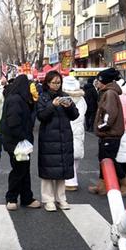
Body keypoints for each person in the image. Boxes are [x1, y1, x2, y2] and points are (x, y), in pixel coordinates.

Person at [36, 70, 79, 212]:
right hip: (48, 137)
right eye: (54, 82)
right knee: (48, 170)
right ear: (47, 83)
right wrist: (52, 105)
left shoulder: (65, 96)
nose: (56, 85)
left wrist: (70, 107)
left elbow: (75, 116)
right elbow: (41, 116)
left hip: (64, 136)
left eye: (58, 82)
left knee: (62, 170)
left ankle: (61, 198)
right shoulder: (43, 97)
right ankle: (48, 200)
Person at [0, 75, 40, 210]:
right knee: (19, 170)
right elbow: (14, 122)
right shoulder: (17, 100)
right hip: (17, 143)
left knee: (23, 170)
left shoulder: (15, 98)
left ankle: (26, 197)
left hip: (16, 142)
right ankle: (12, 198)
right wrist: (23, 137)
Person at [89, 68, 126, 196]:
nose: (97, 83)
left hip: (110, 133)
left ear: (102, 81)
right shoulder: (108, 92)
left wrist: (101, 126)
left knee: (109, 159)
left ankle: (125, 184)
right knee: (104, 159)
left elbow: (109, 114)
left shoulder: (110, 93)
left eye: (98, 80)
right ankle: (102, 185)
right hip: (108, 134)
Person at [62, 76, 87, 192]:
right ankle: (73, 179)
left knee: (65, 154)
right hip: (78, 128)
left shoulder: (63, 98)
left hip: (65, 127)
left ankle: (69, 180)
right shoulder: (81, 99)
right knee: (76, 154)